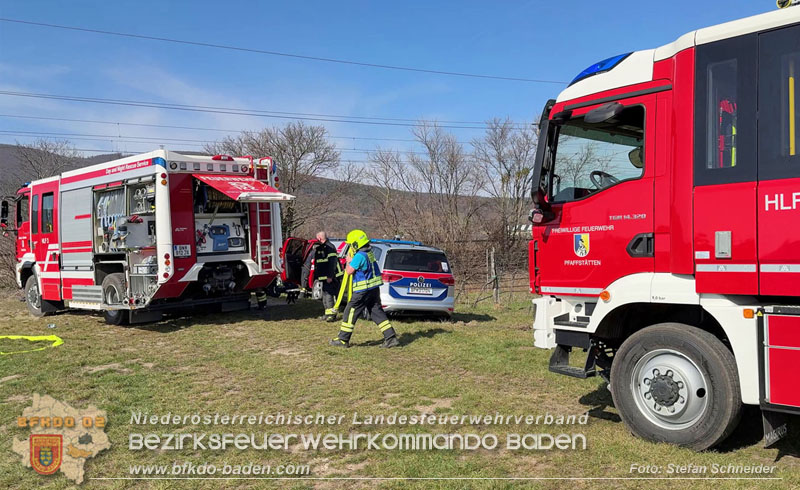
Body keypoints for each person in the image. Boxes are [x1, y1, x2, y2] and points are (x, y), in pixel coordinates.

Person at [330, 229, 399, 348]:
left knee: (350, 311)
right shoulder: (369, 253)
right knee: (376, 312)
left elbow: (349, 271)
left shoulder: (359, 256)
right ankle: (391, 337)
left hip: (363, 291)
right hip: (374, 289)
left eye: (351, 244)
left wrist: (348, 262)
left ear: (356, 244)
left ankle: (343, 340)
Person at [301, 231, 343, 322]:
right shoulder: (321, 248)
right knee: (324, 295)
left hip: (331, 277)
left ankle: (331, 315)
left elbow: (332, 263)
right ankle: (327, 313)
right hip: (324, 277)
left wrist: (330, 276)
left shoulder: (330, 247)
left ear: (319, 238)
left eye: (317, 239)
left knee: (329, 295)